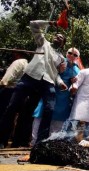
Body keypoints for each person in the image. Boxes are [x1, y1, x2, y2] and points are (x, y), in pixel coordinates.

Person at [0, 20, 66, 148]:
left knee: (48, 109)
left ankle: (39, 143)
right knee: (12, 106)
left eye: (61, 38)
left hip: (47, 82)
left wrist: (61, 82)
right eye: (57, 36)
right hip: (30, 78)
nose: (58, 38)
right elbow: (33, 24)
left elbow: (56, 73)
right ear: (52, 37)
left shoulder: (61, 58)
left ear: (63, 44)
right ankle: (1, 139)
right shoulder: (43, 43)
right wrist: (50, 23)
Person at [31, 48, 81, 145]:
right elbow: (49, 73)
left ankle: (51, 143)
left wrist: (73, 85)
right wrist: (59, 71)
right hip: (51, 91)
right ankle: (35, 142)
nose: (72, 55)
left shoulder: (77, 70)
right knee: (41, 115)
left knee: (59, 119)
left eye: (75, 55)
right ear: (66, 53)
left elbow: (76, 84)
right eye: (70, 53)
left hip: (64, 97)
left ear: (77, 58)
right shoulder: (59, 62)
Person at [65, 58, 89, 141]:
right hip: (81, 102)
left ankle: (85, 147)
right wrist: (73, 88)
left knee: (88, 130)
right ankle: (68, 143)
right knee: (74, 126)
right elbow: (76, 83)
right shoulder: (84, 72)